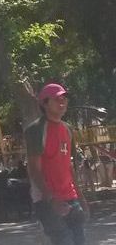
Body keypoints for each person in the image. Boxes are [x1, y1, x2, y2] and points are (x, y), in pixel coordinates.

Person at [25, 83, 89, 245]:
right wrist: (52, 199)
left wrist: (81, 198)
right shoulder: (36, 130)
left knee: (79, 241)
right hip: (48, 199)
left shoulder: (67, 129)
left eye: (64, 99)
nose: (63, 102)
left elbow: (69, 166)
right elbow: (34, 170)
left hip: (70, 197)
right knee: (63, 240)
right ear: (45, 103)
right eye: (57, 99)